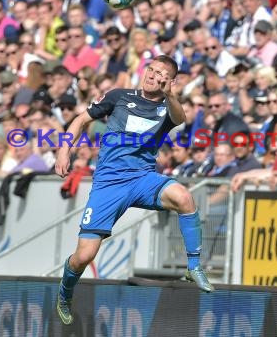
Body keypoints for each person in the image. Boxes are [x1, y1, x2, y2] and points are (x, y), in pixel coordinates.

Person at [54, 55, 214, 325]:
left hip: (142, 178)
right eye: (150, 69)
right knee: (84, 256)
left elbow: (180, 117)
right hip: (108, 183)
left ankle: (194, 266)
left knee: (184, 197)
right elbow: (81, 119)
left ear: (170, 81)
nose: (152, 75)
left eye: (160, 73)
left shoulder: (168, 107)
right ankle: (65, 291)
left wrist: (170, 95)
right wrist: (63, 150)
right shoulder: (118, 96)